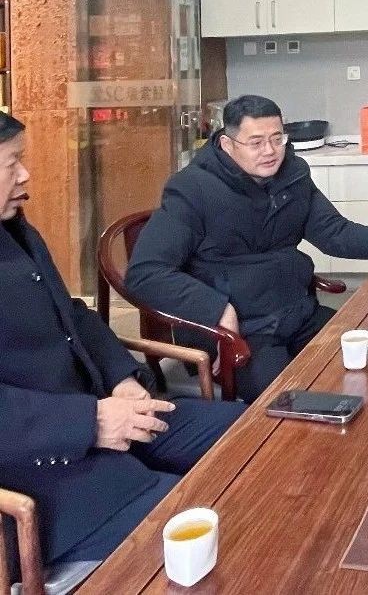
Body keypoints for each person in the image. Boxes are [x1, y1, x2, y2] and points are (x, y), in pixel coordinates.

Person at [0, 110, 245, 579]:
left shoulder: (17, 232)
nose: (26, 174)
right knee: (217, 522)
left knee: (251, 433)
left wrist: (122, 377)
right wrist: (89, 422)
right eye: (12, 163)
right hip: (39, 472)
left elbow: (72, 314)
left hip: (104, 410)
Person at [126, 95, 368, 403]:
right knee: (289, 405)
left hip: (298, 312)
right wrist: (217, 309)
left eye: (277, 139)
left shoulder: (293, 174)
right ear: (227, 144)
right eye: (256, 143)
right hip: (241, 333)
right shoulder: (192, 189)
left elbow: (332, 231)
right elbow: (145, 273)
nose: (269, 151)